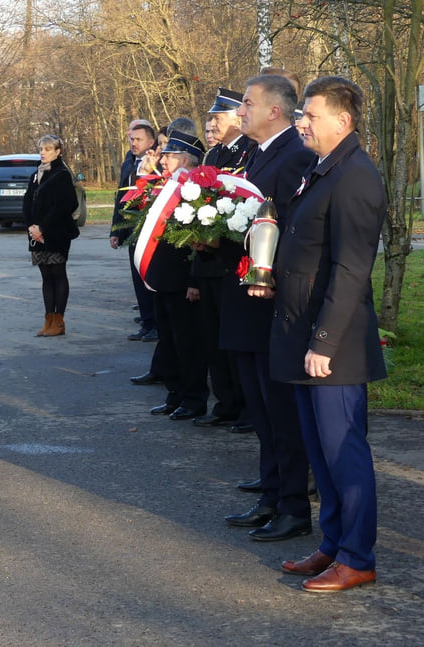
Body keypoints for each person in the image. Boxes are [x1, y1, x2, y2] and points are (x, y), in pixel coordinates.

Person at [269, 76, 386, 591]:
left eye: (310, 115)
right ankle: (334, 545)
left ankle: (357, 557)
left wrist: (324, 344)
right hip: (304, 333)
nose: (301, 122)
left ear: (343, 120)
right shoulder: (323, 170)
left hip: (331, 345)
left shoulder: (356, 175)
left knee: (344, 453)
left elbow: (351, 270)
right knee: (320, 451)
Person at [221, 75, 316, 542]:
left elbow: (290, 227)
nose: (241, 111)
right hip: (244, 299)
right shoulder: (255, 154)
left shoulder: (294, 155)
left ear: (274, 111)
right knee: (258, 405)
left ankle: (293, 506)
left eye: (247, 104)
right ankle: (271, 495)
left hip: (269, 301)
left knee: (279, 408)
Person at [191, 88, 255, 429]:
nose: (212, 124)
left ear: (235, 119)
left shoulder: (248, 151)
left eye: (218, 118)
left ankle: (246, 406)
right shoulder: (213, 155)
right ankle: (226, 403)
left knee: (236, 339)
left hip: (234, 257)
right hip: (210, 258)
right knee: (216, 338)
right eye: (211, 118)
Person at [144, 129, 209, 421]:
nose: (163, 158)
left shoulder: (198, 188)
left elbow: (200, 238)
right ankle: (175, 393)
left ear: (185, 158)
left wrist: (194, 281)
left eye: (168, 155)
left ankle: (193, 398)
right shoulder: (169, 184)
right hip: (162, 278)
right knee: (169, 339)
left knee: (188, 342)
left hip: (183, 280)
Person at [22, 134, 79, 337]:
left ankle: (59, 321)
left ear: (58, 151)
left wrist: (43, 228)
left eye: (47, 149)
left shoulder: (62, 174)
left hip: (55, 233)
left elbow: (66, 205)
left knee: (57, 273)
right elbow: (27, 201)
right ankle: (48, 319)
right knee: (46, 276)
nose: (43, 153)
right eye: (41, 149)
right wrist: (30, 226)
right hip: (35, 233)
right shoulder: (36, 173)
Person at [110, 119, 158, 343]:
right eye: (131, 139)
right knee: (137, 279)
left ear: (151, 141)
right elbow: (120, 197)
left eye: (138, 139)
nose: (134, 143)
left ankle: (155, 324)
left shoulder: (157, 164)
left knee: (150, 279)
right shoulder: (129, 162)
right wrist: (115, 229)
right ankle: (146, 322)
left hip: (149, 229)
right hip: (130, 229)